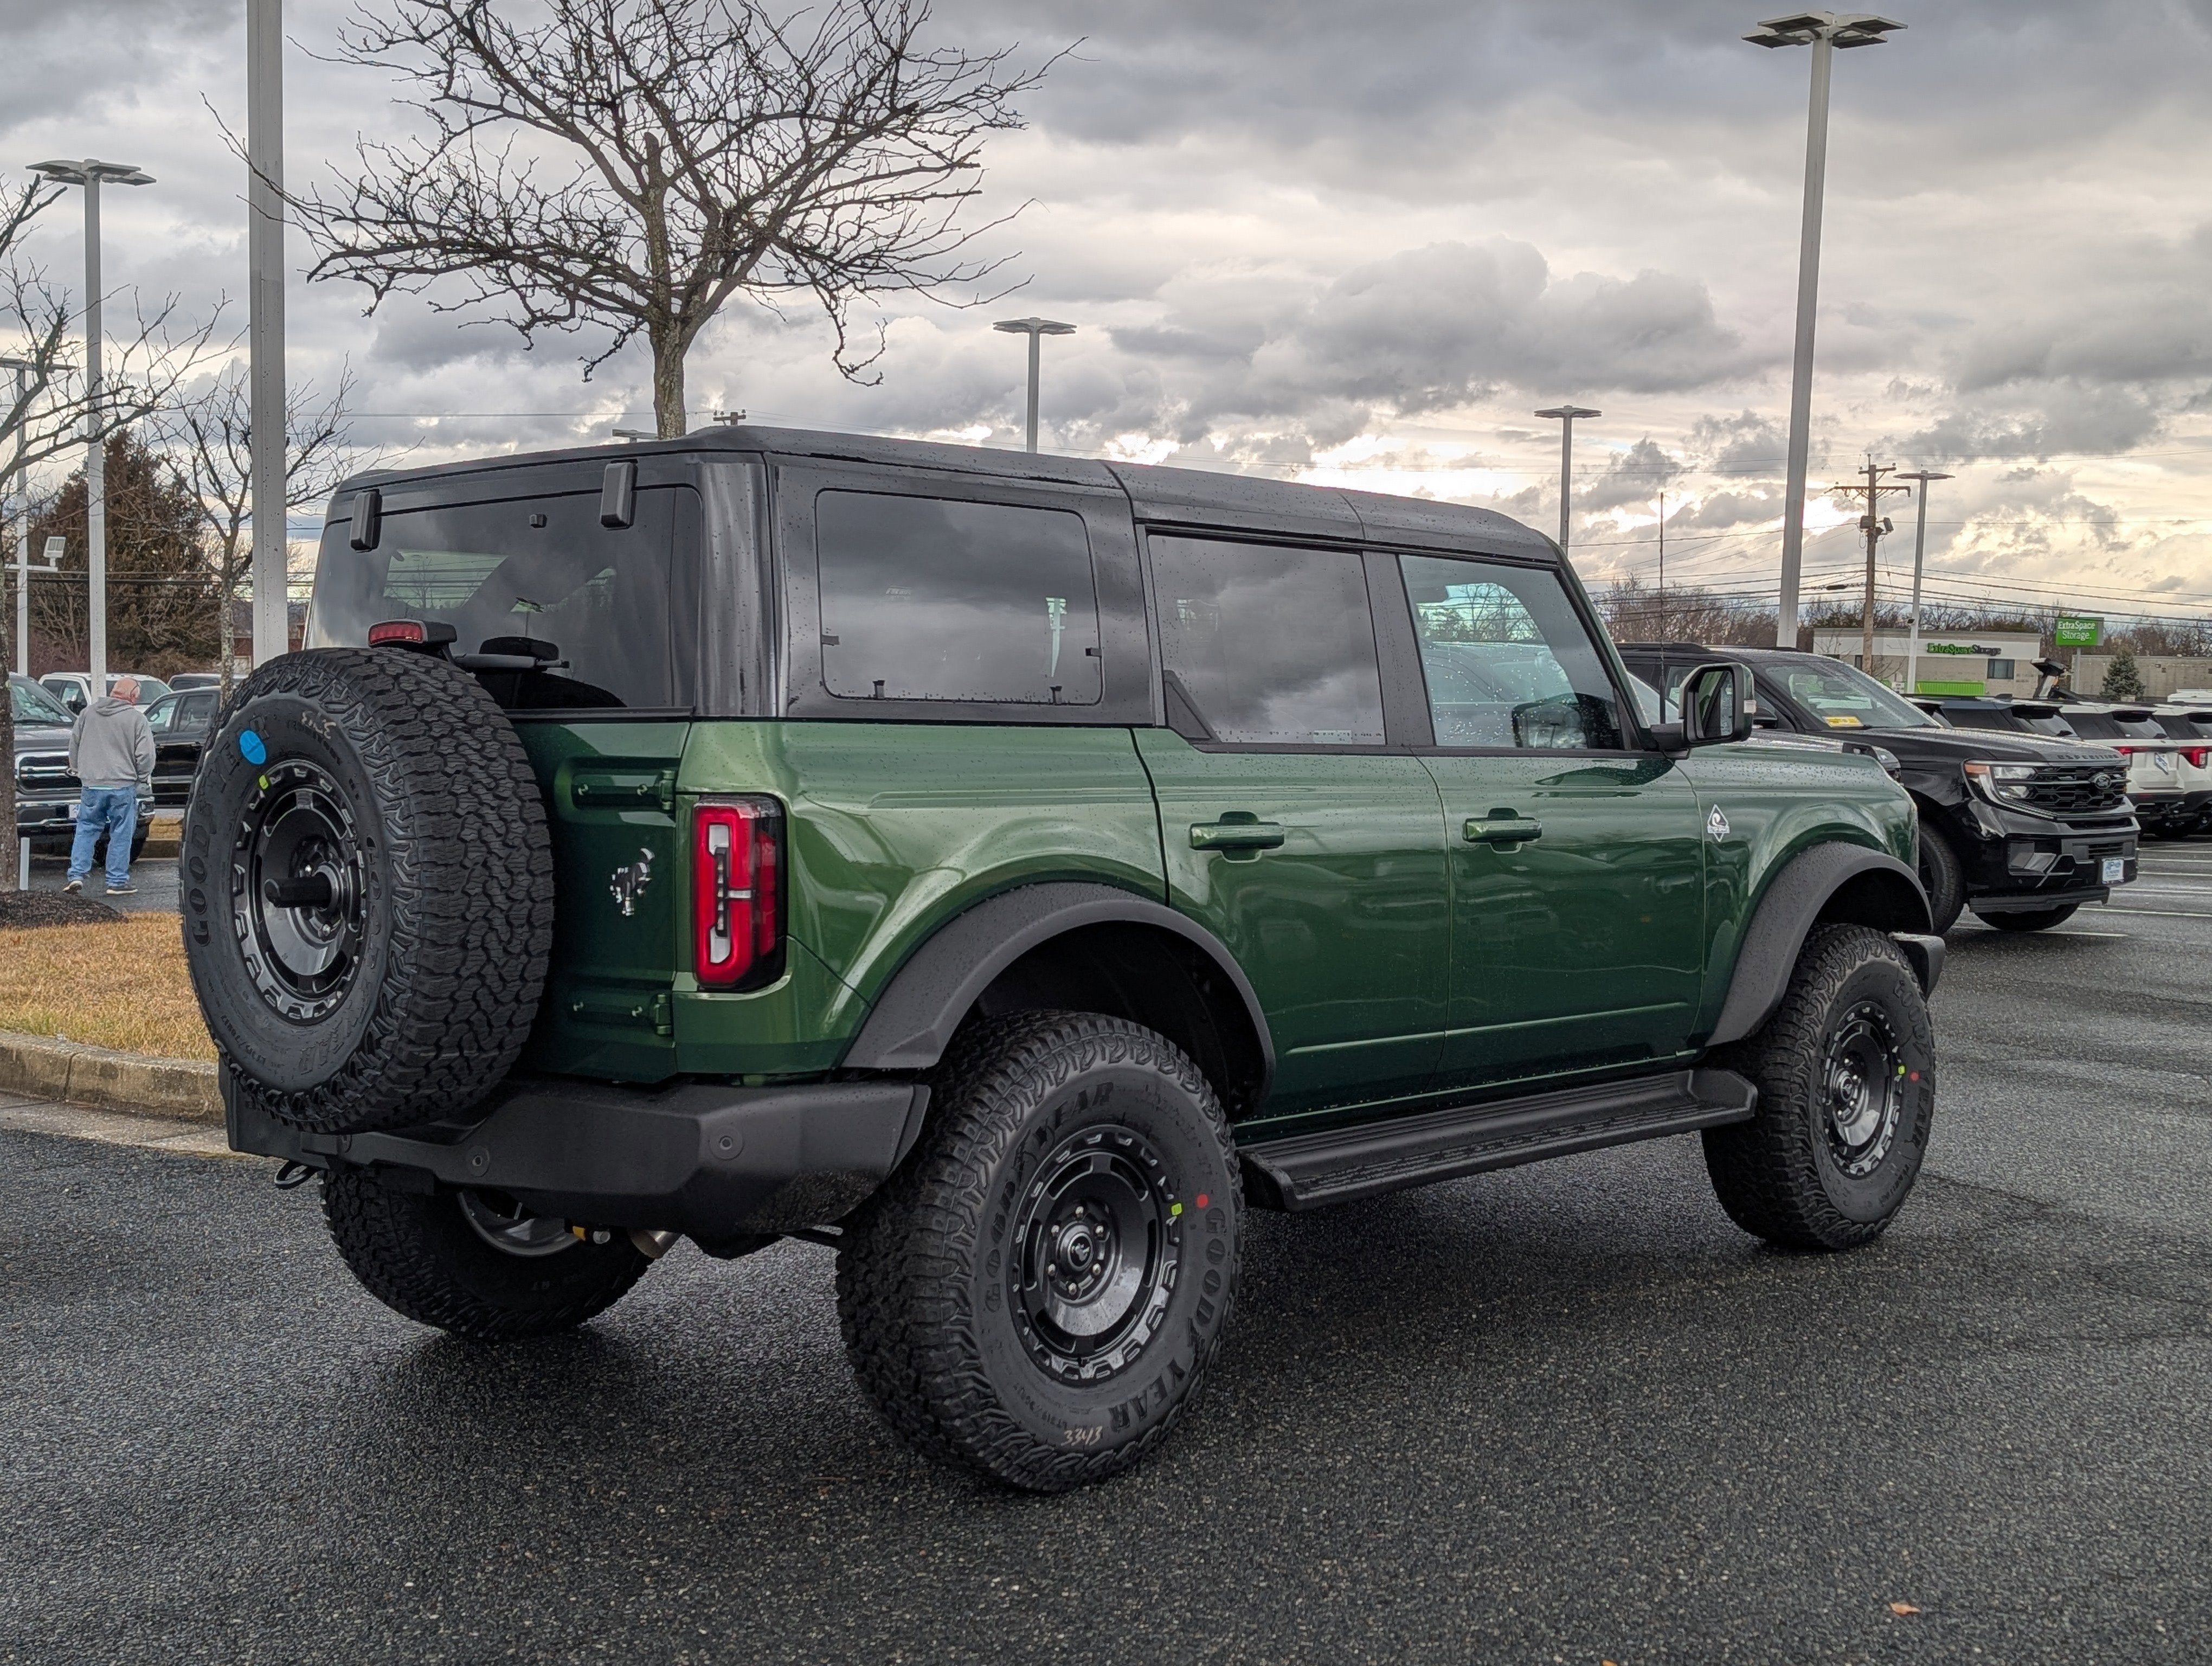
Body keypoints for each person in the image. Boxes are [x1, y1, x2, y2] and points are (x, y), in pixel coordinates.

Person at [65, 676, 154, 896]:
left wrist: (78, 770)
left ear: (114, 692)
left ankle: (76, 875)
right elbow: (145, 756)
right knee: (121, 833)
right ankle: (117, 881)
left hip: (92, 785)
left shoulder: (87, 714)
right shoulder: (136, 719)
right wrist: (141, 777)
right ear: (132, 697)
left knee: (86, 829)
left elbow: (74, 745)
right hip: (122, 785)